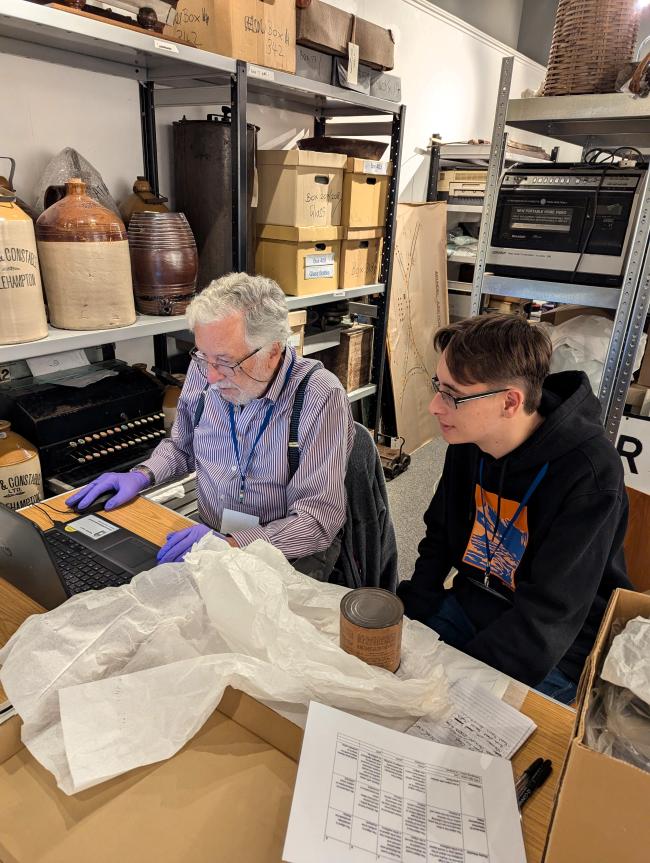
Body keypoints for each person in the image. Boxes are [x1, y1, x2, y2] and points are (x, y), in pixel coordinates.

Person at [397, 314, 631, 704]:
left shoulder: (588, 473)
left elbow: (549, 618)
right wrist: (410, 617)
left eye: (453, 394)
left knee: (457, 729)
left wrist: (457, 685)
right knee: (386, 681)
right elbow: (439, 537)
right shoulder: (468, 440)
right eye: (439, 386)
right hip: (472, 604)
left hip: (556, 645)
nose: (435, 405)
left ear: (510, 401)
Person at [67, 273, 355, 566]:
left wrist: (231, 546)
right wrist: (142, 475)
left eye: (227, 362)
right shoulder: (205, 367)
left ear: (273, 351)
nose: (211, 377)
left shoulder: (320, 397)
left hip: (283, 552)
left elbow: (317, 523)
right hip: (210, 532)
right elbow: (182, 447)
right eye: (204, 357)